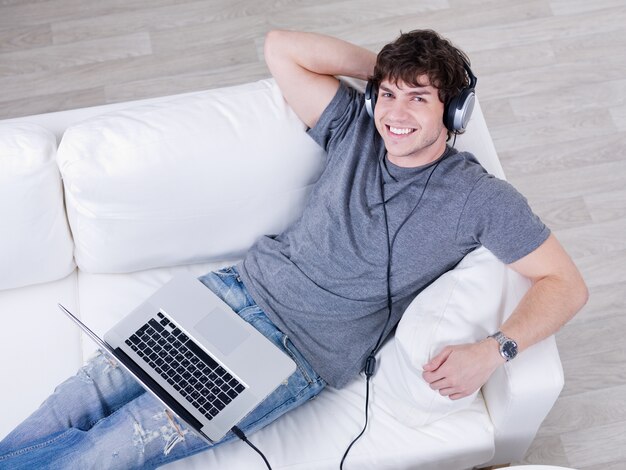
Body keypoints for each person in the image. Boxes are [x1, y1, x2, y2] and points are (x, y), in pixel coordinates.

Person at [0, 29, 588, 469]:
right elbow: (281, 47)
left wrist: (494, 350)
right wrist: (381, 70)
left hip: (292, 356)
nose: (396, 114)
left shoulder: (481, 198)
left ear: (453, 113)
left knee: (110, 450)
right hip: (226, 295)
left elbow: (566, 284)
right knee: (74, 402)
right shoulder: (354, 131)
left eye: (419, 99)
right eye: (388, 95)